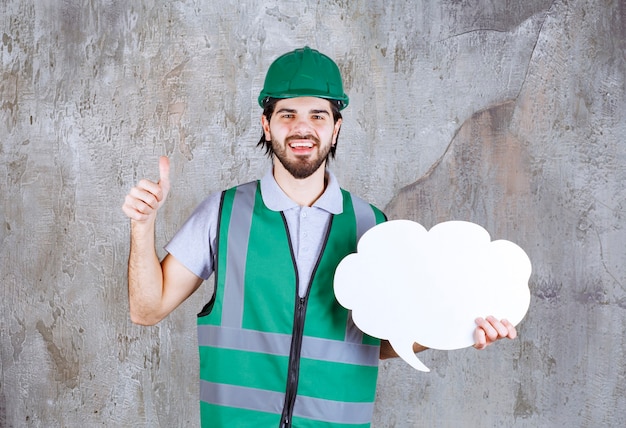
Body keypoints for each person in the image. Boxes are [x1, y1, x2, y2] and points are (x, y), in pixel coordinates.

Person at [122, 46, 517, 427]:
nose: (302, 129)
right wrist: (143, 226)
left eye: (317, 116)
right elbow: (146, 309)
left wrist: (456, 327)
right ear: (267, 123)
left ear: (336, 127)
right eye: (288, 114)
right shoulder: (222, 214)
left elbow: (379, 342)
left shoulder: (372, 226)